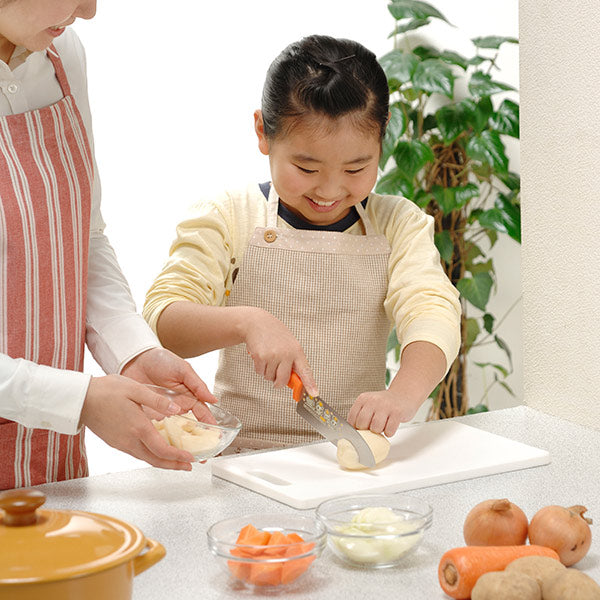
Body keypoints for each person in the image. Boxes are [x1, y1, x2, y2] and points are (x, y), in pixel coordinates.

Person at [143, 35, 461, 451]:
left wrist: (400, 396)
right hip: (243, 456)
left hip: (351, 450)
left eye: (356, 168)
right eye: (306, 167)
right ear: (263, 132)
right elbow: (163, 319)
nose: (330, 190)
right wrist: (248, 321)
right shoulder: (228, 216)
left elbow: (431, 311)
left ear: (383, 136)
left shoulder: (398, 224)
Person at [0, 0, 217, 491]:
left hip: (50, 462)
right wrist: (79, 400)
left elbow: (80, 237)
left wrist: (132, 352)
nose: (90, 11)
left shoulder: (62, 53)